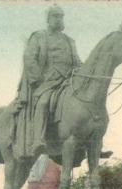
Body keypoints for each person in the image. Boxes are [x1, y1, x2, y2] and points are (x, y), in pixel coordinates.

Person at [14, 5, 81, 158]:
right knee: (43, 103)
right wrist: (38, 79)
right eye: (55, 16)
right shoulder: (39, 37)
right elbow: (29, 58)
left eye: (61, 16)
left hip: (68, 81)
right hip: (47, 81)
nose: (59, 19)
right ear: (48, 19)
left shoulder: (69, 41)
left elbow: (77, 62)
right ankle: (39, 139)